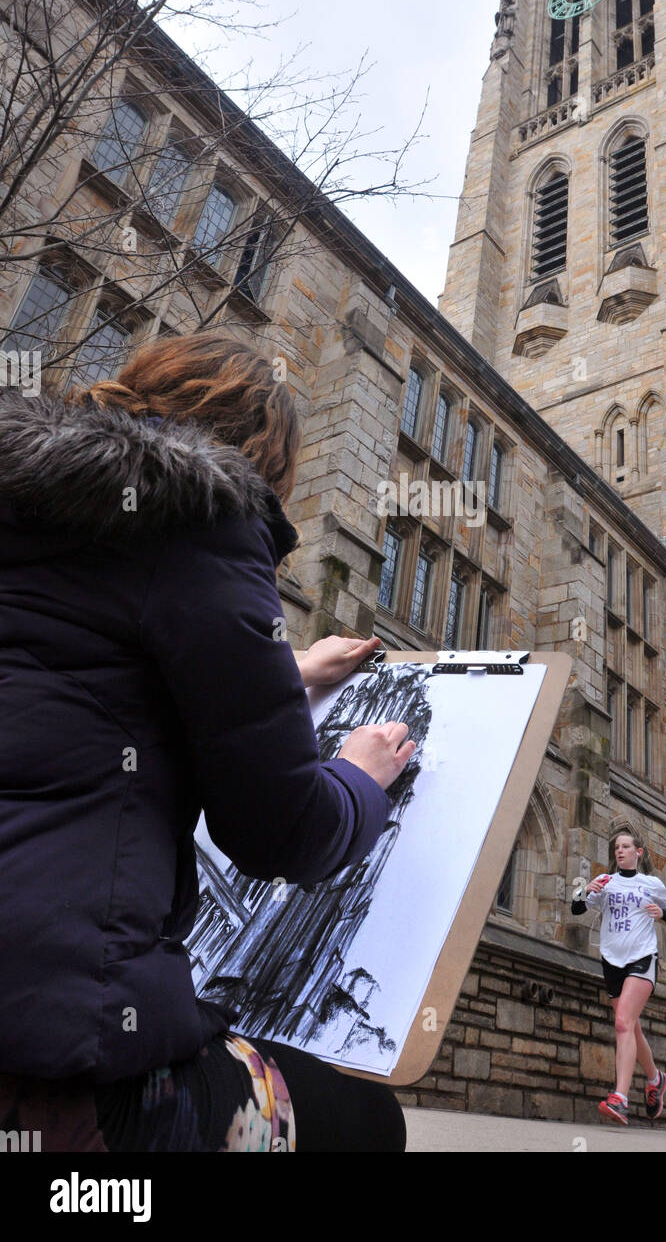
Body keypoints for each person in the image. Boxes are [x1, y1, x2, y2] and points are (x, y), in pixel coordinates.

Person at [0, 329, 416, 1152]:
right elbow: (279, 829)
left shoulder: (30, 498)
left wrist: (282, 677)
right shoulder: (204, 517)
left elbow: (82, 678)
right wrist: (359, 776)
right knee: (363, 1123)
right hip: (50, 1062)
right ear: (263, 454)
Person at [570, 825, 666, 1126]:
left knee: (621, 1023)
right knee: (630, 1027)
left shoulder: (650, 883)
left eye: (626, 846)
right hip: (612, 960)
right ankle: (656, 1080)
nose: (620, 851)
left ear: (638, 852)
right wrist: (585, 890)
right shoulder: (606, 882)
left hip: (642, 957)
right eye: (617, 847)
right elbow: (577, 908)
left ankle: (620, 1097)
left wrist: (662, 914)